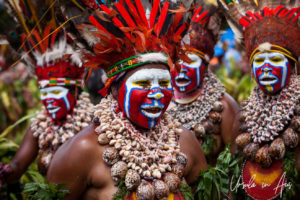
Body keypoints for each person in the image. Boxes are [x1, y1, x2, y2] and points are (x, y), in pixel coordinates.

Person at [47, 0, 207, 199]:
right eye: (143, 84)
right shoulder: (83, 151)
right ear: (115, 89)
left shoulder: (185, 142)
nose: (157, 93)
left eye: (164, 84)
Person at [219, 0, 300, 199]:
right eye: (259, 61)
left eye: (274, 60)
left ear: (291, 65)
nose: (265, 67)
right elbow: (232, 181)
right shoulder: (243, 117)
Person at [0, 27, 93, 186]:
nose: (49, 99)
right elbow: (17, 166)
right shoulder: (40, 126)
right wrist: (6, 171)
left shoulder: (94, 121)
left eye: (56, 91)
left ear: (76, 91)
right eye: (45, 92)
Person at [168, 5, 239, 163]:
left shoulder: (223, 107)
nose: (182, 69)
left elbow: (235, 165)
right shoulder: (158, 103)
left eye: (191, 61)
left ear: (205, 65)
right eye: (177, 61)